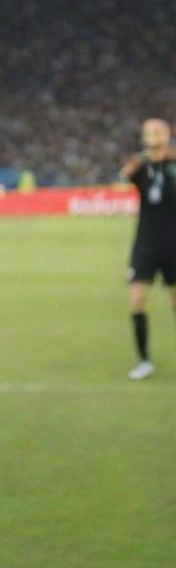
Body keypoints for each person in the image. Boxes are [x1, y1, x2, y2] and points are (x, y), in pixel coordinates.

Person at [120, 118, 176, 380]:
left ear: (168, 134)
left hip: (173, 241)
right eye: (149, 132)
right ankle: (144, 360)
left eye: (158, 131)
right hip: (146, 241)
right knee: (137, 300)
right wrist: (145, 156)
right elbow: (125, 174)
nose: (153, 135)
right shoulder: (141, 166)